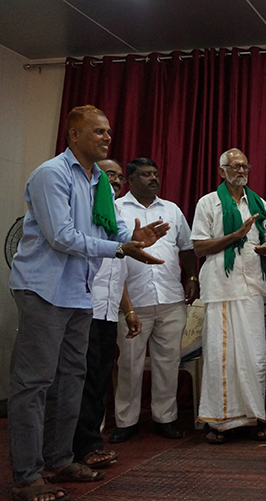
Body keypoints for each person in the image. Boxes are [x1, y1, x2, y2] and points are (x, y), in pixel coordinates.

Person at [8, 105, 168, 501]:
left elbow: (111, 228)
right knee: (34, 384)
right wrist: (120, 249)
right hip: (43, 289)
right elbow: (61, 237)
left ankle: (59, 459)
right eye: (98, 131)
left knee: (71, 380)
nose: (106, 137)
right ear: (73, 134)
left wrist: (135, 238)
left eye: (108, 131)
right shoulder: (51, 174)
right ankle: (27, 476)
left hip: (80, 292)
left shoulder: (99, 181)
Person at [191, 148, 266, 444]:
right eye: (234, 166)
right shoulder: (208, 203)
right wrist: (236, 236)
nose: (241, 170)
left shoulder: (259, 203)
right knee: (221, 356)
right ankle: (220, 421)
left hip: (251, 286)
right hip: (221, 288)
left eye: (244, 166)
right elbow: (199, 247)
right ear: (222, 171)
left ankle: (254, 417)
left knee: (254, 356)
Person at [109, 158, 198, 443]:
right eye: (146, 174)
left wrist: (192, 277)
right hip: (131, 302)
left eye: (156, 174)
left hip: (171, 300)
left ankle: (165, 418)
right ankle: (126, 421)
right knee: (129, 364)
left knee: (168, 363)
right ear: (130, 180)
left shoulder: (171, 209)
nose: (153, 179)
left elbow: (186, 248)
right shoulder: (116, 208)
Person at [71, 159, 140, 469]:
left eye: (118, 176)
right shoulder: (85, 208)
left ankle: (90, 442)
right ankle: (78, 447)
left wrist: (129, 311)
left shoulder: (117, 215)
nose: (114, 180)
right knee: (81, 380)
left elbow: (117, 273)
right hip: (83, 305)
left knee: (99, 380)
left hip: (109, 311)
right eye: (108, 174)